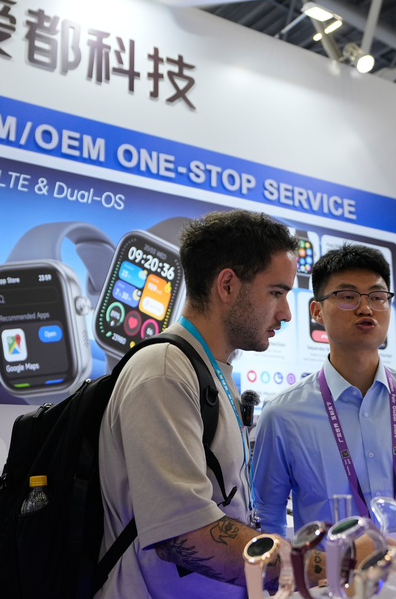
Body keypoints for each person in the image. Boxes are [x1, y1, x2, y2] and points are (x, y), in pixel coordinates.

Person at [96, 210, 301, 598]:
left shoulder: (209, 369)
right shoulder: (165, 371)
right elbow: (185, 532)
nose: (286, 313)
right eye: (276, 293)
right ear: (227, 285)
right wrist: (310, 565)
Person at [252, 243, 396, 536]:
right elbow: (267, 515)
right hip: (331, 580)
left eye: (377, 297)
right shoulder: (283, 415)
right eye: (348, 296)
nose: (366, 308)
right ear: (317, 311)